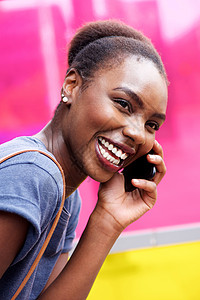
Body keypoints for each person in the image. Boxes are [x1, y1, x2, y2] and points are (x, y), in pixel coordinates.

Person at [0, 19, 168, 299]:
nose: (138, 134)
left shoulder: (67, 194)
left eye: (151, 124)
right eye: (124, 104)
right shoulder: (35, 175)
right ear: (72, 85)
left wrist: (108, 221)